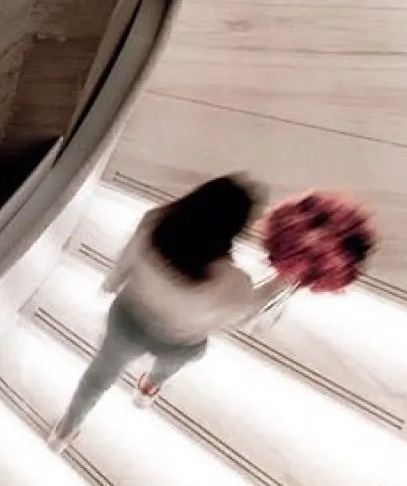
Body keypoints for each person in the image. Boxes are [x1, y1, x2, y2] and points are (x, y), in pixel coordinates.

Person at [49, 175, 282, 450]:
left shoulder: (154, 222)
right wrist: (284, 278)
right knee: (170, 364)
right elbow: (244, 314)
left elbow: (126, 259)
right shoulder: (233, 284)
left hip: (129, 320)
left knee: (99, 375)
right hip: (178, 341)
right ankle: (147, 389)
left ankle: (66, 430)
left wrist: (110, 285)